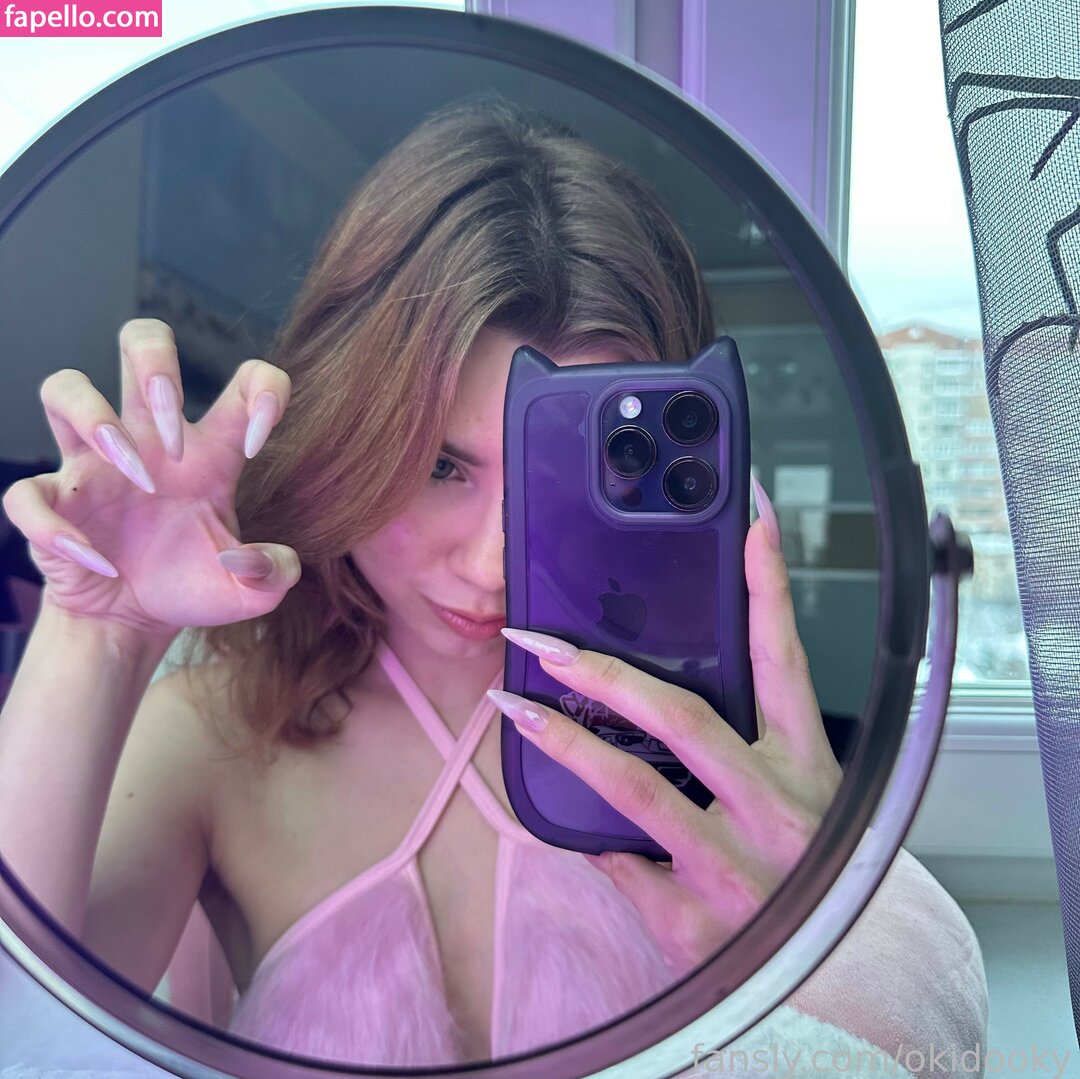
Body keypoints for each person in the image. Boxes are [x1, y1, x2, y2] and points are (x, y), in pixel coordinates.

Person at [0, 100, 958, 1070]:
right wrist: (100, 631)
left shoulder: (716, 745)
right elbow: (20, 1027)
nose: (492, 566)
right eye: (439, 465)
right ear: (349, 439)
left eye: (560, 483)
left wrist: (814, 939)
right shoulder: (220, 733)